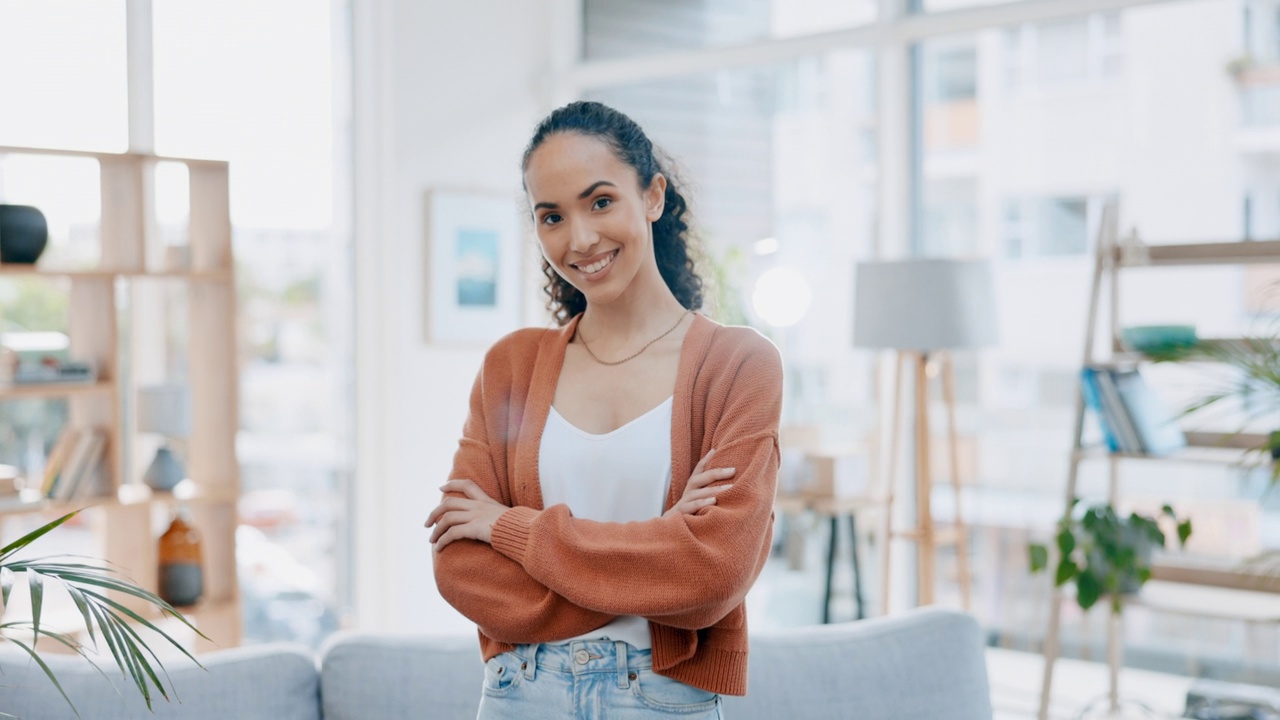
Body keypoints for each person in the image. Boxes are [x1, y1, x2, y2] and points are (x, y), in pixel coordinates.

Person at [425, 100, 782, 719]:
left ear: (652, 196)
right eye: (552, 216)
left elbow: (713, 577)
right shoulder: (511, 367)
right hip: (521, 694)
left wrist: (512, 530)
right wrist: (664, 552)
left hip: (663, 699)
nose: (580, 238)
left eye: (600, 201)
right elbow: (460, 566)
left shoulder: (739, 366)